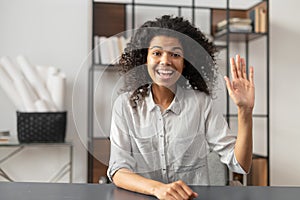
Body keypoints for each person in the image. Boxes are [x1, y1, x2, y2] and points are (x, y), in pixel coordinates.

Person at [107, 15, 254, 200]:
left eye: (175, 54)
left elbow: (240, 165)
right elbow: (118, 170)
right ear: (145, 59)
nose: (166, 61)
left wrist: (245, 111)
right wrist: (158, 189)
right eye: (157, 53)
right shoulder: (125, 105)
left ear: (185, 63)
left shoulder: (201, 104)